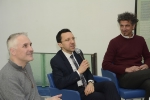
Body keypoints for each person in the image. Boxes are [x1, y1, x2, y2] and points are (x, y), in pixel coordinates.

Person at [50, 28, 121, 100]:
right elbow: (60, 83)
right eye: (67, 40)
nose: (72, 42)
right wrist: (78, 72)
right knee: (102, 96)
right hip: (75, 91)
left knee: (109, 85)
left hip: (87, 85)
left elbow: (87, 72)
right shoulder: (56, 60)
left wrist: (90, 82)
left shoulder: (78, 53)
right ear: (60, 44)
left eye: (73, 38)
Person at [102, 12, 150, 100]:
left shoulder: (140, 40)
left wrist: (147, 65)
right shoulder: (114, 42)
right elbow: (105, 64)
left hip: (140, 75)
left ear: (133, 26)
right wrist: (126, 69)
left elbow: (148, 57)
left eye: (127, 25)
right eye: (121, 26)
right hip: (125, 78)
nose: (124, 29)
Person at [0, 33, 62, 100]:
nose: (31, 49)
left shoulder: (26, 65)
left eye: (30, 45)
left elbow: (34, 97)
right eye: (25, 46)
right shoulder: (8, 76)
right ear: (13, 51)